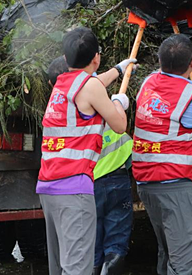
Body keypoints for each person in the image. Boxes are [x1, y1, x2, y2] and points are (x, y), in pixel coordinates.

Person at [132, 34, 192, 275]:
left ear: (159, 61)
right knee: (184, 260)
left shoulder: (147, 84)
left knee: (168, 254)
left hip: (146, 185)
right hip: (175, 187)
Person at [38, 27, 131, 275]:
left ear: (66, 59)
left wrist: (120, 70)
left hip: (48, 187)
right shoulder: (90, 87)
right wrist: (117, 102)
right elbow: (120, 125)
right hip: (74, 189)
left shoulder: (60, 85)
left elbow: (93, 84)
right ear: (96, 58)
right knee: (78, 268)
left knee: (59, 266)